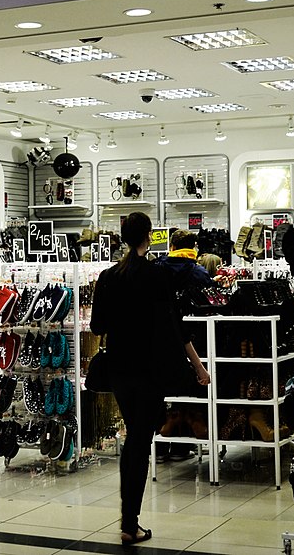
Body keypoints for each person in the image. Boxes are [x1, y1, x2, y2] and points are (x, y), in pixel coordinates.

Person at [90, 212, 209, 546]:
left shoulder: (108, 276)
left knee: (136, 437)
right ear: (149, 237)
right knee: (139, 442)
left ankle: (130, 520)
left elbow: (98, 326)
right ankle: (130, 523)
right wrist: (198, 367)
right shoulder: (156, 277)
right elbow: (175, 327)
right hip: (150, 371)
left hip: (119, 371)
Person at [154, 230, 213, 461]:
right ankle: (181, 447)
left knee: (161, 394)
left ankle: (159, 447)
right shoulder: (198, 272)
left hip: (162, 339)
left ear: (171, 245)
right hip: (194, 340)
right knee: (189, 391)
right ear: (194, 247)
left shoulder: (157, 268)